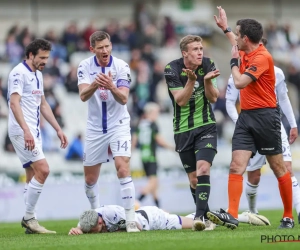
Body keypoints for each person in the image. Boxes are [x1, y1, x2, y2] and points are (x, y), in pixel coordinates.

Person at [207, 6, 295, 229]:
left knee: (278, 168)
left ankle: (288, 216)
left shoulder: (263, 57)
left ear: (246, 38)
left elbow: (239, 83)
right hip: (246, 117)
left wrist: (233, 63)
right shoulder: (247, 48)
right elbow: (234, 44)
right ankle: (232, 214)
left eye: (237, 34)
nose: (235, 38)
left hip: (266, 117)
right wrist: (225, 28)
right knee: (237, 165)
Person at [226, 38, 300, 225]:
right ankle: (249, 212)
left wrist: (292, 124)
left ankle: (293, 214)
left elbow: (284, 99)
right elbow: (229, 102)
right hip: (248, 124)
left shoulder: (276, 72)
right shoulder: (238, 71)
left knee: (285, 168)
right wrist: (239, 122)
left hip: (271, 124)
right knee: (252, 174)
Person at [77, 31, 139, 233]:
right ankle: (96, 215)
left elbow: (123, 99)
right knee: (89, 180)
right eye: (100, 47)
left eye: (107, 46)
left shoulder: (121, 66)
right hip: (95, 128)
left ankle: (130, 220)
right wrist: (96, 82)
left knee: (122, 167)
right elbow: (83, 96)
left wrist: (111, 86)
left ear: (111, 46)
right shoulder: (84, 66)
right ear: (92, 49)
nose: (104, 50)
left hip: (118, 124)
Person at [7, 38, 68, 234]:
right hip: (21, 130)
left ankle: (30, 222)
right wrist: (25, 130)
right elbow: (14, 103)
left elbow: (43, 104)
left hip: (34, 130)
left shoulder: (38, 74)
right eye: (42, 57)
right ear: (31, 55)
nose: (45, 61)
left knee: (32, 175)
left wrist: (58, 128)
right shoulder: (18, 73)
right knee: (44, 169)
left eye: (47, 57)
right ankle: (29, 218)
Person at [164, 35, 220, 231]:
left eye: (201, 48)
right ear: (184, 53)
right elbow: (180, 100)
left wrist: (206, 82)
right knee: (194, 179)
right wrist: (191, 81)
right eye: (195, 49)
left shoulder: (208, 63)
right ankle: (207, 217)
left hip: (206, 126)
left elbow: (214, 99)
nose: (199, 52)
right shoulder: (171, 69)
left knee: (204, 168)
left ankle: (198, 216)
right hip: (182, 129)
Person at [131, 102, 174, 208]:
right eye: (156, 113)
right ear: (150, 113)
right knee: (153, 182)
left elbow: (134, 141)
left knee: (154, 184)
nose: (157, 115)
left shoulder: (140, 124)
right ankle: (137, 200)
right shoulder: (153, 125)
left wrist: (129, 154)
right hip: (151, 157)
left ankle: (158, 208)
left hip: (143, 157)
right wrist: (173, 148)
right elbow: (160, 141)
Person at [68, 205, 215, 235]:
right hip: (145, 212)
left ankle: (212, 216)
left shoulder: (112, 213)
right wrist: (76, 231)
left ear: (100, 222)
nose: (92, 234)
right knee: (188, 220)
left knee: (194, 225)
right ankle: (208, 215)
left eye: (94, 232)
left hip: (152, 219)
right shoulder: (88, 219)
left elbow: (136, 227)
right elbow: (80, 228)